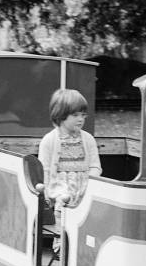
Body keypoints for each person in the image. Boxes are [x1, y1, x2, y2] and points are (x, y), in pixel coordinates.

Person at [38, 89, 101, 252]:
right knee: (63, 201)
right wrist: (45, 194)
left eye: (83, 115)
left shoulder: (88, 140)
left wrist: (90, 184)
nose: (81, 119)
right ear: (60, 115)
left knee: (88, 207)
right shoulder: (49, 140)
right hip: (59, 187)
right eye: (75, 115)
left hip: (83, 185)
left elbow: (95, 166)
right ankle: (60, 244)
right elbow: (44, 169)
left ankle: (82, 247)